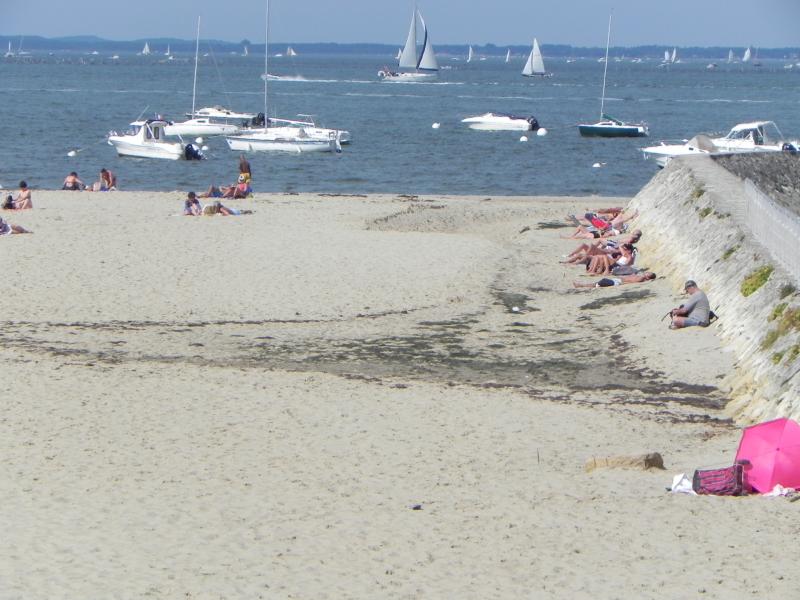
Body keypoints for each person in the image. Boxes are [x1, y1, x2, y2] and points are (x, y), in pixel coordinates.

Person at [573, 271, 656, 288]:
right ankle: (581, 285)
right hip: (618, 281)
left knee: (602, 282)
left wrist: (622, 282)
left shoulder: (641, 278)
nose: (647, 272)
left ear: (648, 277)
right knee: (599, 283)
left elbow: (631, 282)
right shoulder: (640, 276)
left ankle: (581, 285)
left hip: (619, 282)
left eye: (649, 273)